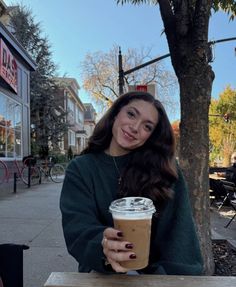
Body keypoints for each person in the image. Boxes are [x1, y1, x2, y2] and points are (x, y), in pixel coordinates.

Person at [60, 91, 203, 275]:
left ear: (151, 136)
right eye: (131, 114)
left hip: (156, 283)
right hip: (99, 279)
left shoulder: (163, 172)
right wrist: (103, 246)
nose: (135, 127)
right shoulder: (81, 169)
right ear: (116, 113)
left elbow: (180, 239)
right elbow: (77, 230)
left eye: (147, 126)